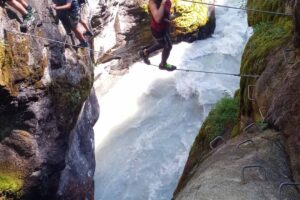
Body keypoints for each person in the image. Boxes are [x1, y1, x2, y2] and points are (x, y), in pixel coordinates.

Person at [139, 0, 176, 71]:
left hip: (165, 27)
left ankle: (145, 52)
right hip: (158, 30)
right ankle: (163, 64)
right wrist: (162, 3)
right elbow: (157, 19)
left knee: (165, 44)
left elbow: (165, 13)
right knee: (167, 46)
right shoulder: (152, 2)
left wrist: (167, 19)